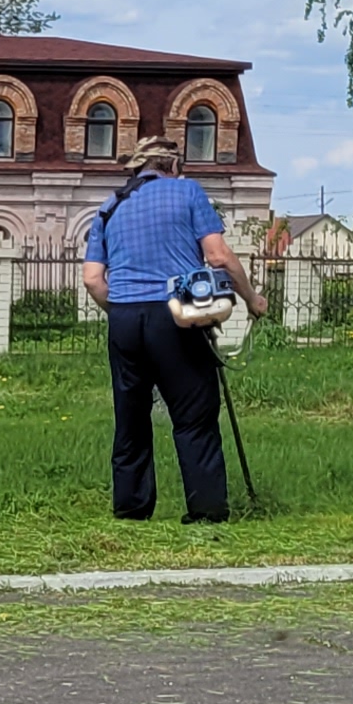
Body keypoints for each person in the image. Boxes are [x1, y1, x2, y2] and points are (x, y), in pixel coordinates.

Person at [79, 149, 245, 524]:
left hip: (123, 317)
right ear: (173, 166)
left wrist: (122, 310)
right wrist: (252, 298)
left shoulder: (110, 205)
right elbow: (217, 256)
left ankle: (131, 508)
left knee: (131, 416)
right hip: (176, 314)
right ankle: (205, 510)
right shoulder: (187, 192)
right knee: (194, 414)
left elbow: (92, 278)